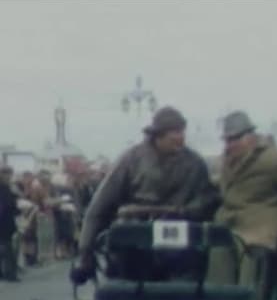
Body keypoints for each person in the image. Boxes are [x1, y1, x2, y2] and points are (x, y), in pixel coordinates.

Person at [72, 106, 220, 282]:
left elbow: (207, 201)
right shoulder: (131, 159)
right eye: (174, 132)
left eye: (181, 131)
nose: (180, 137)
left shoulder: (195, 164)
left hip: (180, 244)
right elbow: (99, 208)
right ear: (158, 136)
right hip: (134, 243)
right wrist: (84, 254)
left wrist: (182, 211)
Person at [206, 110, 277, 288]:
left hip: (259, 235)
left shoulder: (274, 159)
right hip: (227, 230)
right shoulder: (227, 162)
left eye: (234, 139)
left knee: (251, 291)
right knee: (217, 290)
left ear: (249, 137)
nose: (229, 145)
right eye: (227, 140)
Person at [0, 165, 20, 281]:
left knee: (5, 248)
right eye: (7, 174)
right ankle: (10, 274)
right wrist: (17, 208)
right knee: (8, 249)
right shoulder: (5, 189)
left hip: (5, 221)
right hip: (5, 222)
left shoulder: (8, 188)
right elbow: (9, 205)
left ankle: (4, 273)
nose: (9, 177)